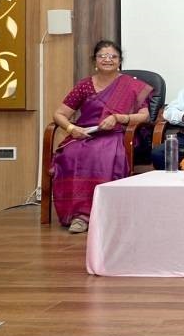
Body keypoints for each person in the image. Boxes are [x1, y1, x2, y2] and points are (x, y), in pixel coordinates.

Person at [51, 40, 152, 233]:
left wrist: (118, 118)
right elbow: (59, 114)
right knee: (70, 154)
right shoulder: (85, 85)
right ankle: (78, 215)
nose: (108, 60)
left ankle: (104, 215)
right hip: (84, 134)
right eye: (102, 56)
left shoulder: (131, 85)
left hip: (117, 134)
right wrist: (71, 128)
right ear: (95, 61)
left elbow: (144, 115)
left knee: (103, 155)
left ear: (120, 61)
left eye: (113, 56)